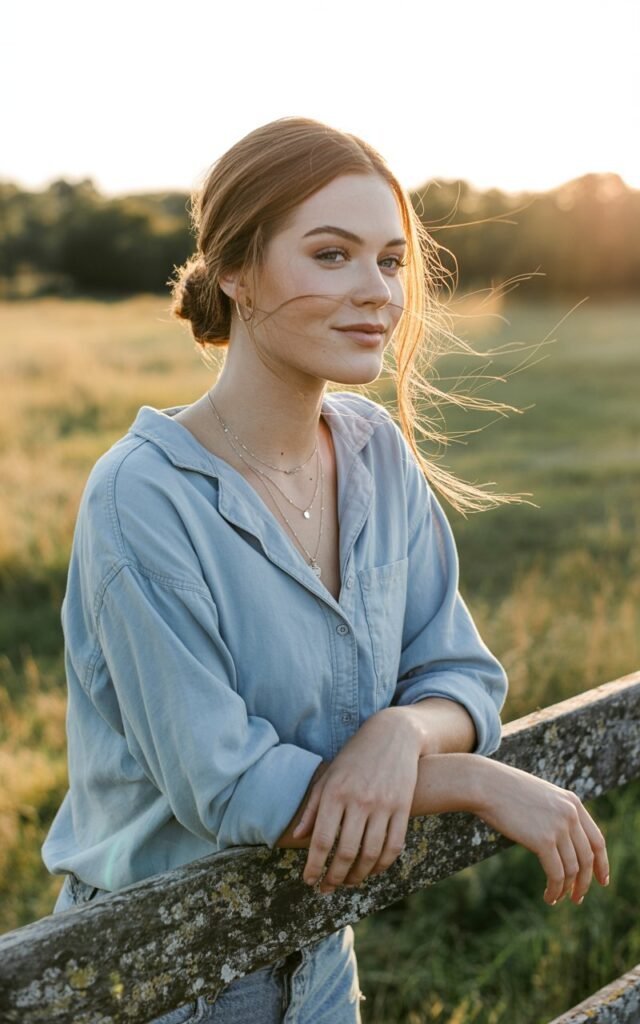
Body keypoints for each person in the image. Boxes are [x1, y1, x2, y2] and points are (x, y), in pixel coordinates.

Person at [42, 117, 609, 1023]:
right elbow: (231, 785)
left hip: (320, 970)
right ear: (235, 269)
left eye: (389, 261)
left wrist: (401, 732)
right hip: (158, 975)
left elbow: (461, 676)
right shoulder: (142, 497)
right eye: (332, 254)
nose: (377, 293)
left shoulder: (377, 454)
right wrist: (472, 778)